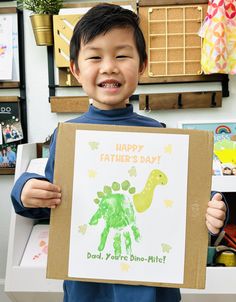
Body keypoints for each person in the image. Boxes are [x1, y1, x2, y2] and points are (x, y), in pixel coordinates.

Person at [11, 3, 228, 302]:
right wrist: (23, 191)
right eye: (95, 56)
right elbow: (47, 203)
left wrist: (215, 211)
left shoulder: (162, 136)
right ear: (75, 69)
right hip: (88, 289)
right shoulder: (67, 137)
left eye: (122, 55)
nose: (109, 66)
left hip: (152, 290)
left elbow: (192, 202)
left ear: (141, 65)